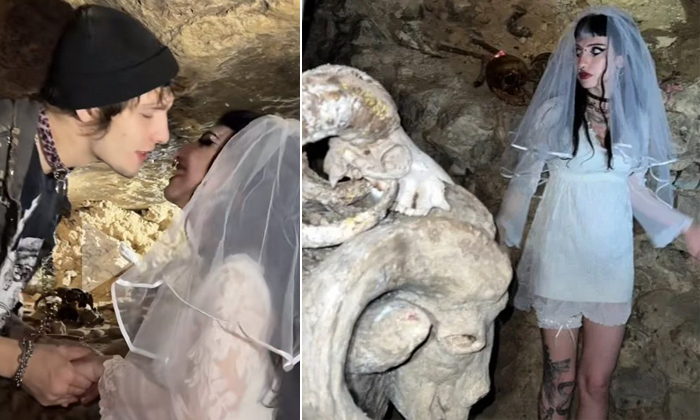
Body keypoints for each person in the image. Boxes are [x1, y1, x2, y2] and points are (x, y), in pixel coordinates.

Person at [496, 6, 700, 420]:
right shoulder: (556, 113)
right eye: (578, 51)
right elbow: (522, 185)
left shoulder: (637, 120)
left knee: (596, 384)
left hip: (609, 264)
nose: (582, 61)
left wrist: (686, 229)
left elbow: (636, 192)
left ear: (621, 57)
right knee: (560, 385)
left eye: (596, 50)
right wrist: (501, 244)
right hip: (560, 259)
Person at [0, 2, 178, 410]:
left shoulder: (47, 185)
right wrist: (21, 362)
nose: (163, 134)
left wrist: (34, 347)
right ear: (92, 107)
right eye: (150, 113)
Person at [85, 111, 300, 420]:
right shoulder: (212, 270)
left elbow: (197, 414)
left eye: (206, 142)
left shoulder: (237, 281)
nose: (179, 151)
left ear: (244, 171)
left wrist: (106, 375)